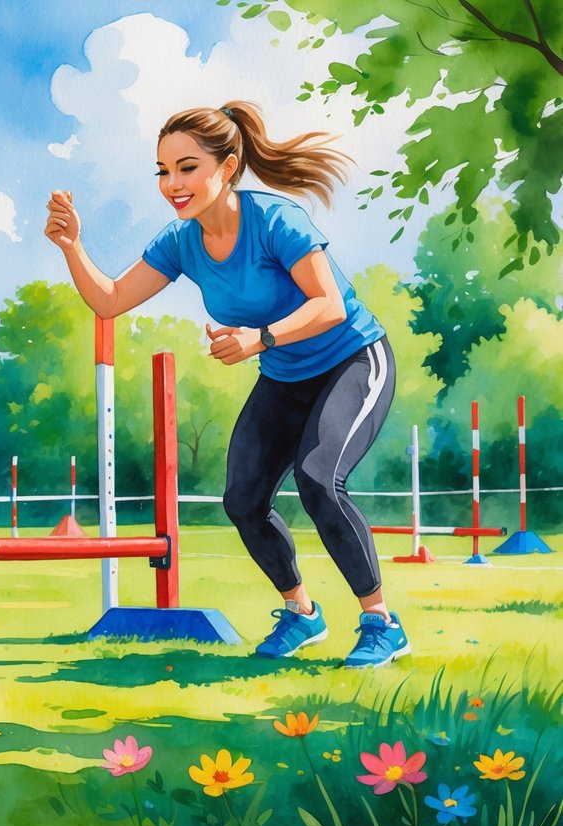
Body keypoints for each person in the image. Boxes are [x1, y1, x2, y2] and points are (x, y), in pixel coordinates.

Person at [45, 100, 408, 668]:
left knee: (318, 479)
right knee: (242, 500)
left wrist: (259, 339)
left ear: (229, 166)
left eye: (187, 168)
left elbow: (330, 306)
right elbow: (110, 301)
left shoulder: (276, 220)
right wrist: (72, 247)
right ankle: (301, 613)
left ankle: (381, 621)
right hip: (285, 376)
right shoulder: (181, 241)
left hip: (352, 360)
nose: (172, 184)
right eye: (163, 171)